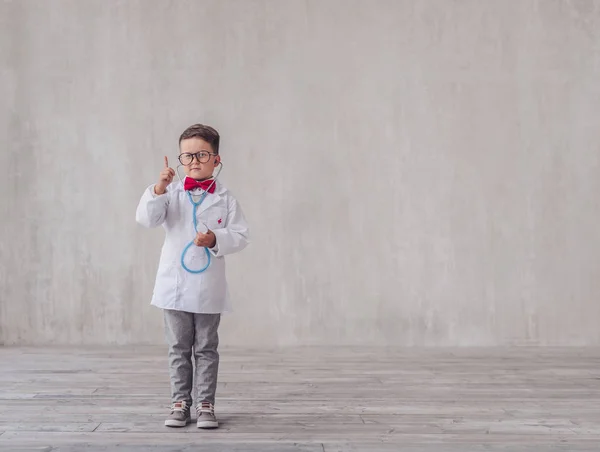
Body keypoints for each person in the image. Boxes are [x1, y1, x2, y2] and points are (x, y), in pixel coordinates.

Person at [136, 123, 249, 428]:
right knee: (178, 347)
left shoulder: (226, 197)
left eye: (202, 154)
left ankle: (205, 404)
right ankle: (179, 403)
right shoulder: (170, 192)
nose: (194, 161)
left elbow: (240, 235)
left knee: (206, 347)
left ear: (216, 158)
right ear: (179, 160)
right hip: (174, 284)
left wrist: (215, 239)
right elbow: (147, 218)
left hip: (208, 285)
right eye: (187, 156)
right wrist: (158, 188)